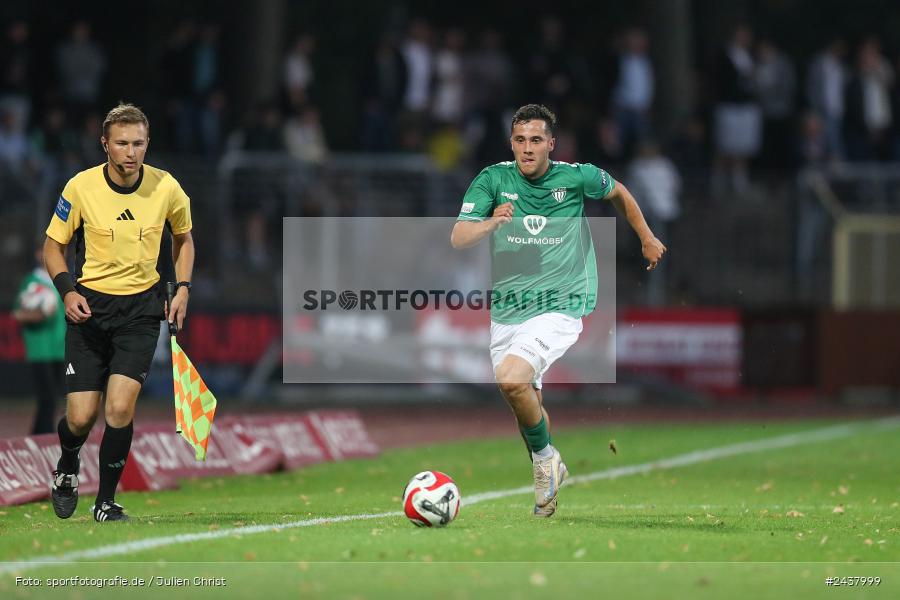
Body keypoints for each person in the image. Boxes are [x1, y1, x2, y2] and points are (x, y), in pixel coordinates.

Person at [450, 104, 665, 517]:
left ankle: (544, 459)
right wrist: (490, 224)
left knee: (512, 379)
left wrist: (647, 237)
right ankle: (547, 466)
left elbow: (618, 190)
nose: (526, 149)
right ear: (511, 143)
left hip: (562, 302)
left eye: (535, 141)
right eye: (519, 141)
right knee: (522, 396)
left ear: (551, 143)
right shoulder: (493, 179)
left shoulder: (576, 175)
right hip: (510, 308)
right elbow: (459, 235)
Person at [43, 103, 194, 522]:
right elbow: (53, 247)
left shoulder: (167, 188)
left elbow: (184, 239)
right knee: (81, 417)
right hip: (89, 311)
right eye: (123, 143)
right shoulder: (80, 188)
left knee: (120, 409)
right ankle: (68, 465)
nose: (131, 152)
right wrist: (66, 292)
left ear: (148, 144)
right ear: (105, 143)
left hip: (142, 313)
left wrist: (182, 288)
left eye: (139, 143)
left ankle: (105, 502)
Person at [13, 242, 66, 435]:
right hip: (40, 349)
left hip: (60, 348)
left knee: (53, 398)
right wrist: (40, 313)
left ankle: (38, 435)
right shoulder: (33, 281)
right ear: (38, 254)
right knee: (48, 397)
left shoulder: (63, 280)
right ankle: (46, 435)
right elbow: (19, 313)